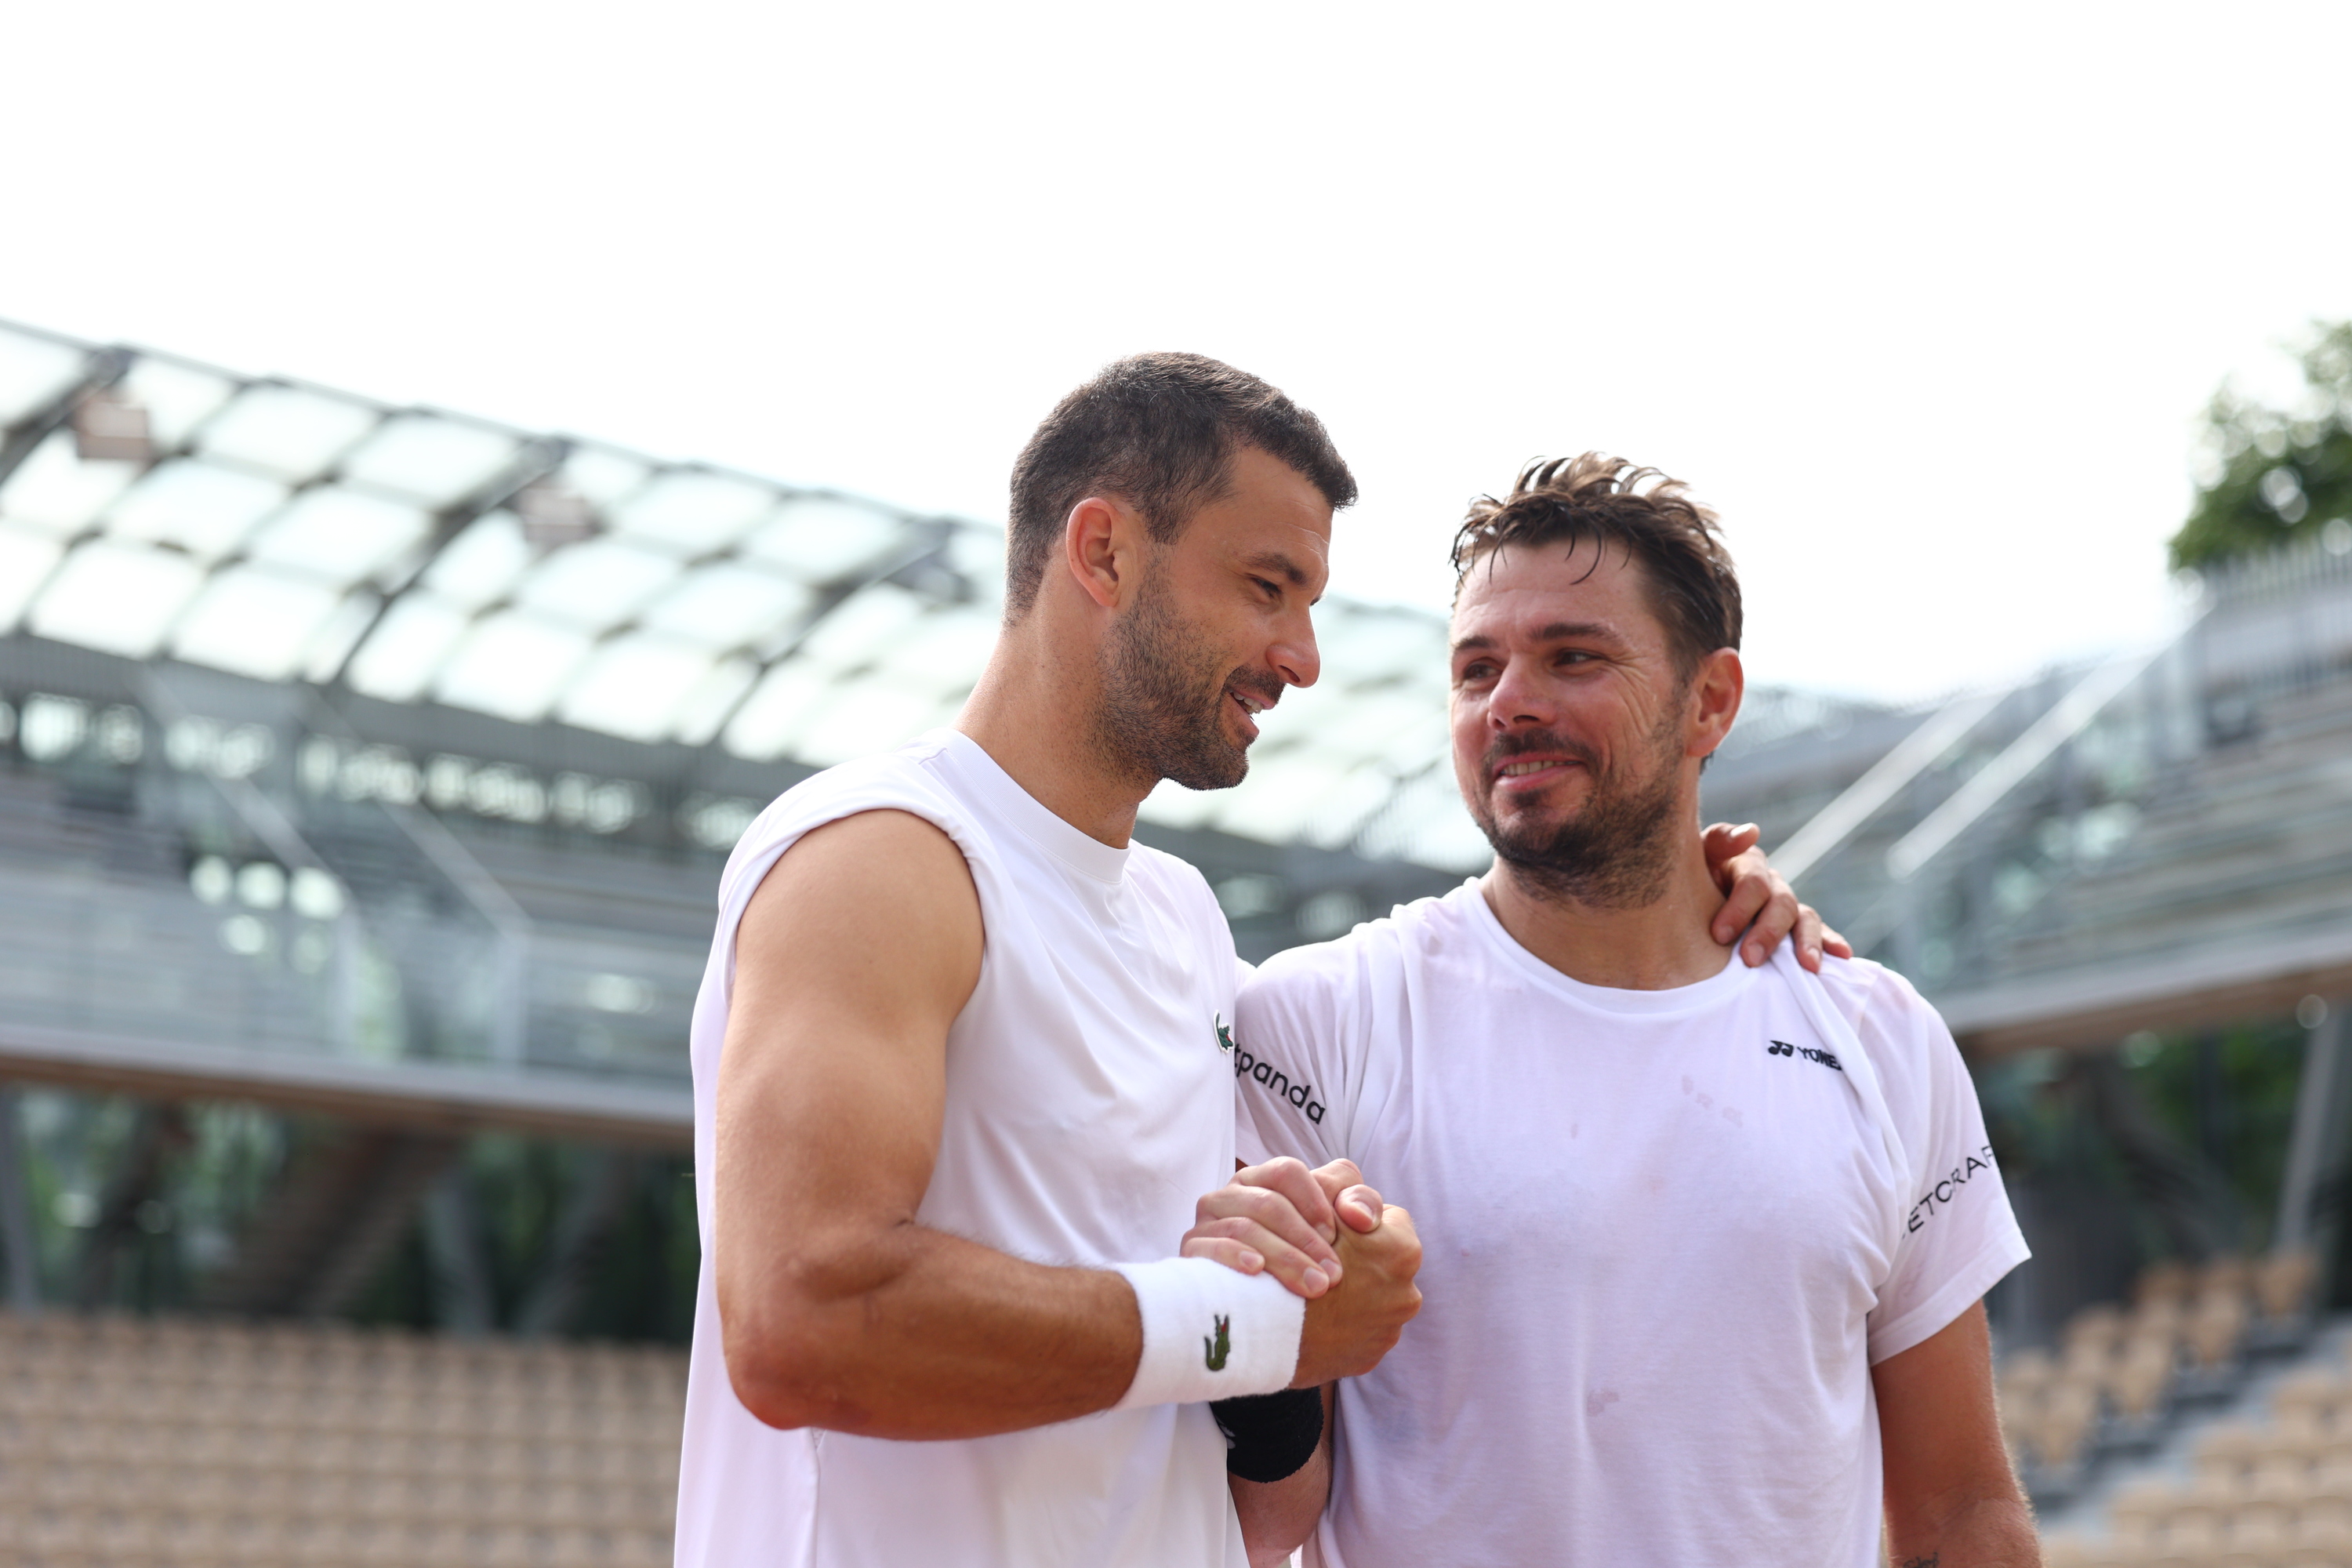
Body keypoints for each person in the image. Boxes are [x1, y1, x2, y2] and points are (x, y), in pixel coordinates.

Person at [675, 358, 1831, 1568]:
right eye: (1268, 587)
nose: (1304, 654)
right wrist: (1254, 1327)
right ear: (1105, 552)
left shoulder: (1182, 919)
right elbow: (804, 1320)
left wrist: (1708, 907)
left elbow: (1233, 1445)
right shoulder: (879, 857)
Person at [1230, 454, 2037, 1568]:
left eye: (1574, 657)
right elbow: (1262, 1520)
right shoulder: (1315, 1019)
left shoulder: (1881, 1035)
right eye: (1476, 670)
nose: (1510, 702)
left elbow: (1961, 1514)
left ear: (1710, 701)